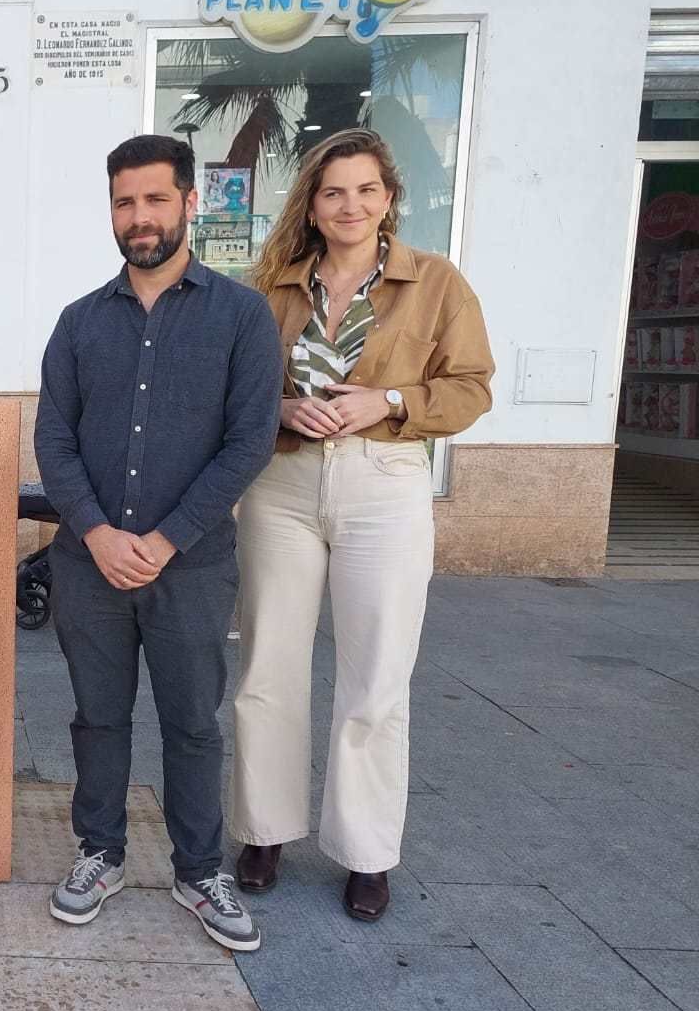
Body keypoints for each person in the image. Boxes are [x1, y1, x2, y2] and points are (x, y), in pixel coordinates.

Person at [229, 128, 494, 921]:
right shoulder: (272, 286)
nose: (351, 205)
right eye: (334, 191)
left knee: (376, 672)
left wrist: (391, 400)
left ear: (389, 199)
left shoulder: (436, 282)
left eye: (366, 190)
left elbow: (472, 387)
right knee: (268, 664)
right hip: (283, 481)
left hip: (384, 481)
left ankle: (367, 852)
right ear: (312, 204)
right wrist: (280, 409)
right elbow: (236, 387)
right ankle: (264, 830)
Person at [34, 135, 282, 951]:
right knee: (98, 718)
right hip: (90, 565)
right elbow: (54, 440)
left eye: (154, 199)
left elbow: (249, 442)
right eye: (124, 202)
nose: (139, 217)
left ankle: (199, 871)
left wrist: (168, 538)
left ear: (189, 204)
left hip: (193, 565)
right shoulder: (79, 322)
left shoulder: (242, 316)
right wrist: (98, 532)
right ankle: (100, 853)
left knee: (193, 722)